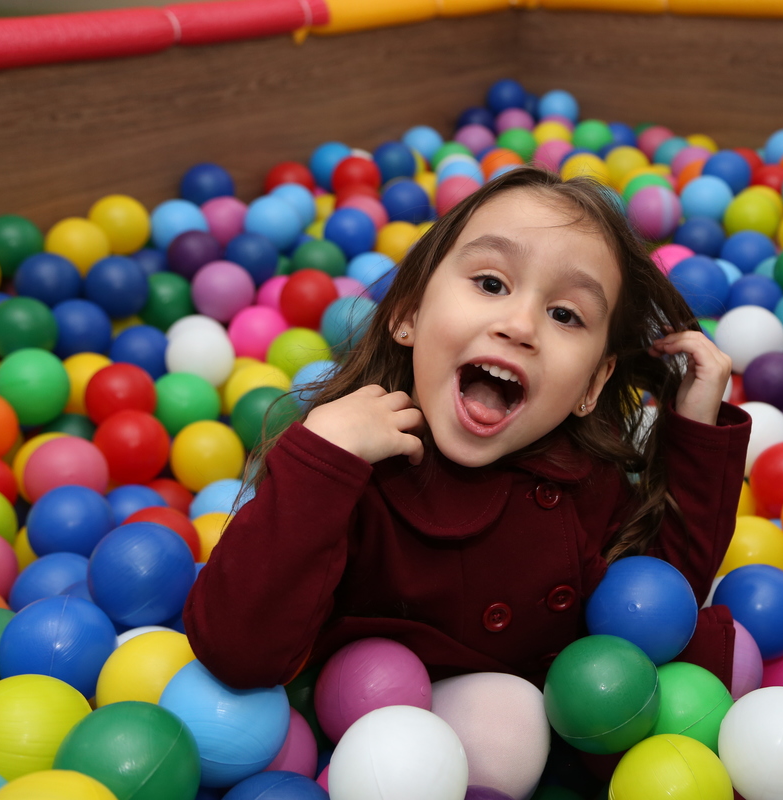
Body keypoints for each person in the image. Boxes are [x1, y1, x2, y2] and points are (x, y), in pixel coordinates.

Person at [183, 167, 751, 693]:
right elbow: (238, 651)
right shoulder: (354, 471)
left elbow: (661, 605)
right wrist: (321, 459)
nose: (519, 326)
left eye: (564, 314)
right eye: (491, 283)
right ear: (408, 312)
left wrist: (696, 427)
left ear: (592, 385)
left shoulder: (584, 475)